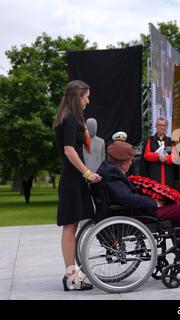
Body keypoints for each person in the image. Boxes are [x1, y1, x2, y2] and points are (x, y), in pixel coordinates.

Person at [97, 140, 180, 274]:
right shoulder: (113, 175)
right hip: (136, 216)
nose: (131, 163)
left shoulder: (108, 171)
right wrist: (154, 203)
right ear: (123, 162)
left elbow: (126, 196)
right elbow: (127, 199)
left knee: (176, 213)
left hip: (130, 212)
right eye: (130, 160)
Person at [53, 80, 102, 291]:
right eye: (86, 96)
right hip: (73, 179)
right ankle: (71, 276)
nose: (88, 101)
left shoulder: (65, 118)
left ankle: (71, 275)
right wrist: (87, 172)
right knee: (70, 226)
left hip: (72, 179)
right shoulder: (71, 118)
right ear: (77, 96)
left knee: (70, 226)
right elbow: (69, 150)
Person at [142, 118, 178, 187]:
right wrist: (158, 156)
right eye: (160, 125)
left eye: (164, 125)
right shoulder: (150, 140)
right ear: (156, 126)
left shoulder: (170, 141)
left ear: (166, 127)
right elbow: (146, 155)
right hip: (153, 174)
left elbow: (175, 157)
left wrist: (166, 158)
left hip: (168, 175)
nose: (162, 127)